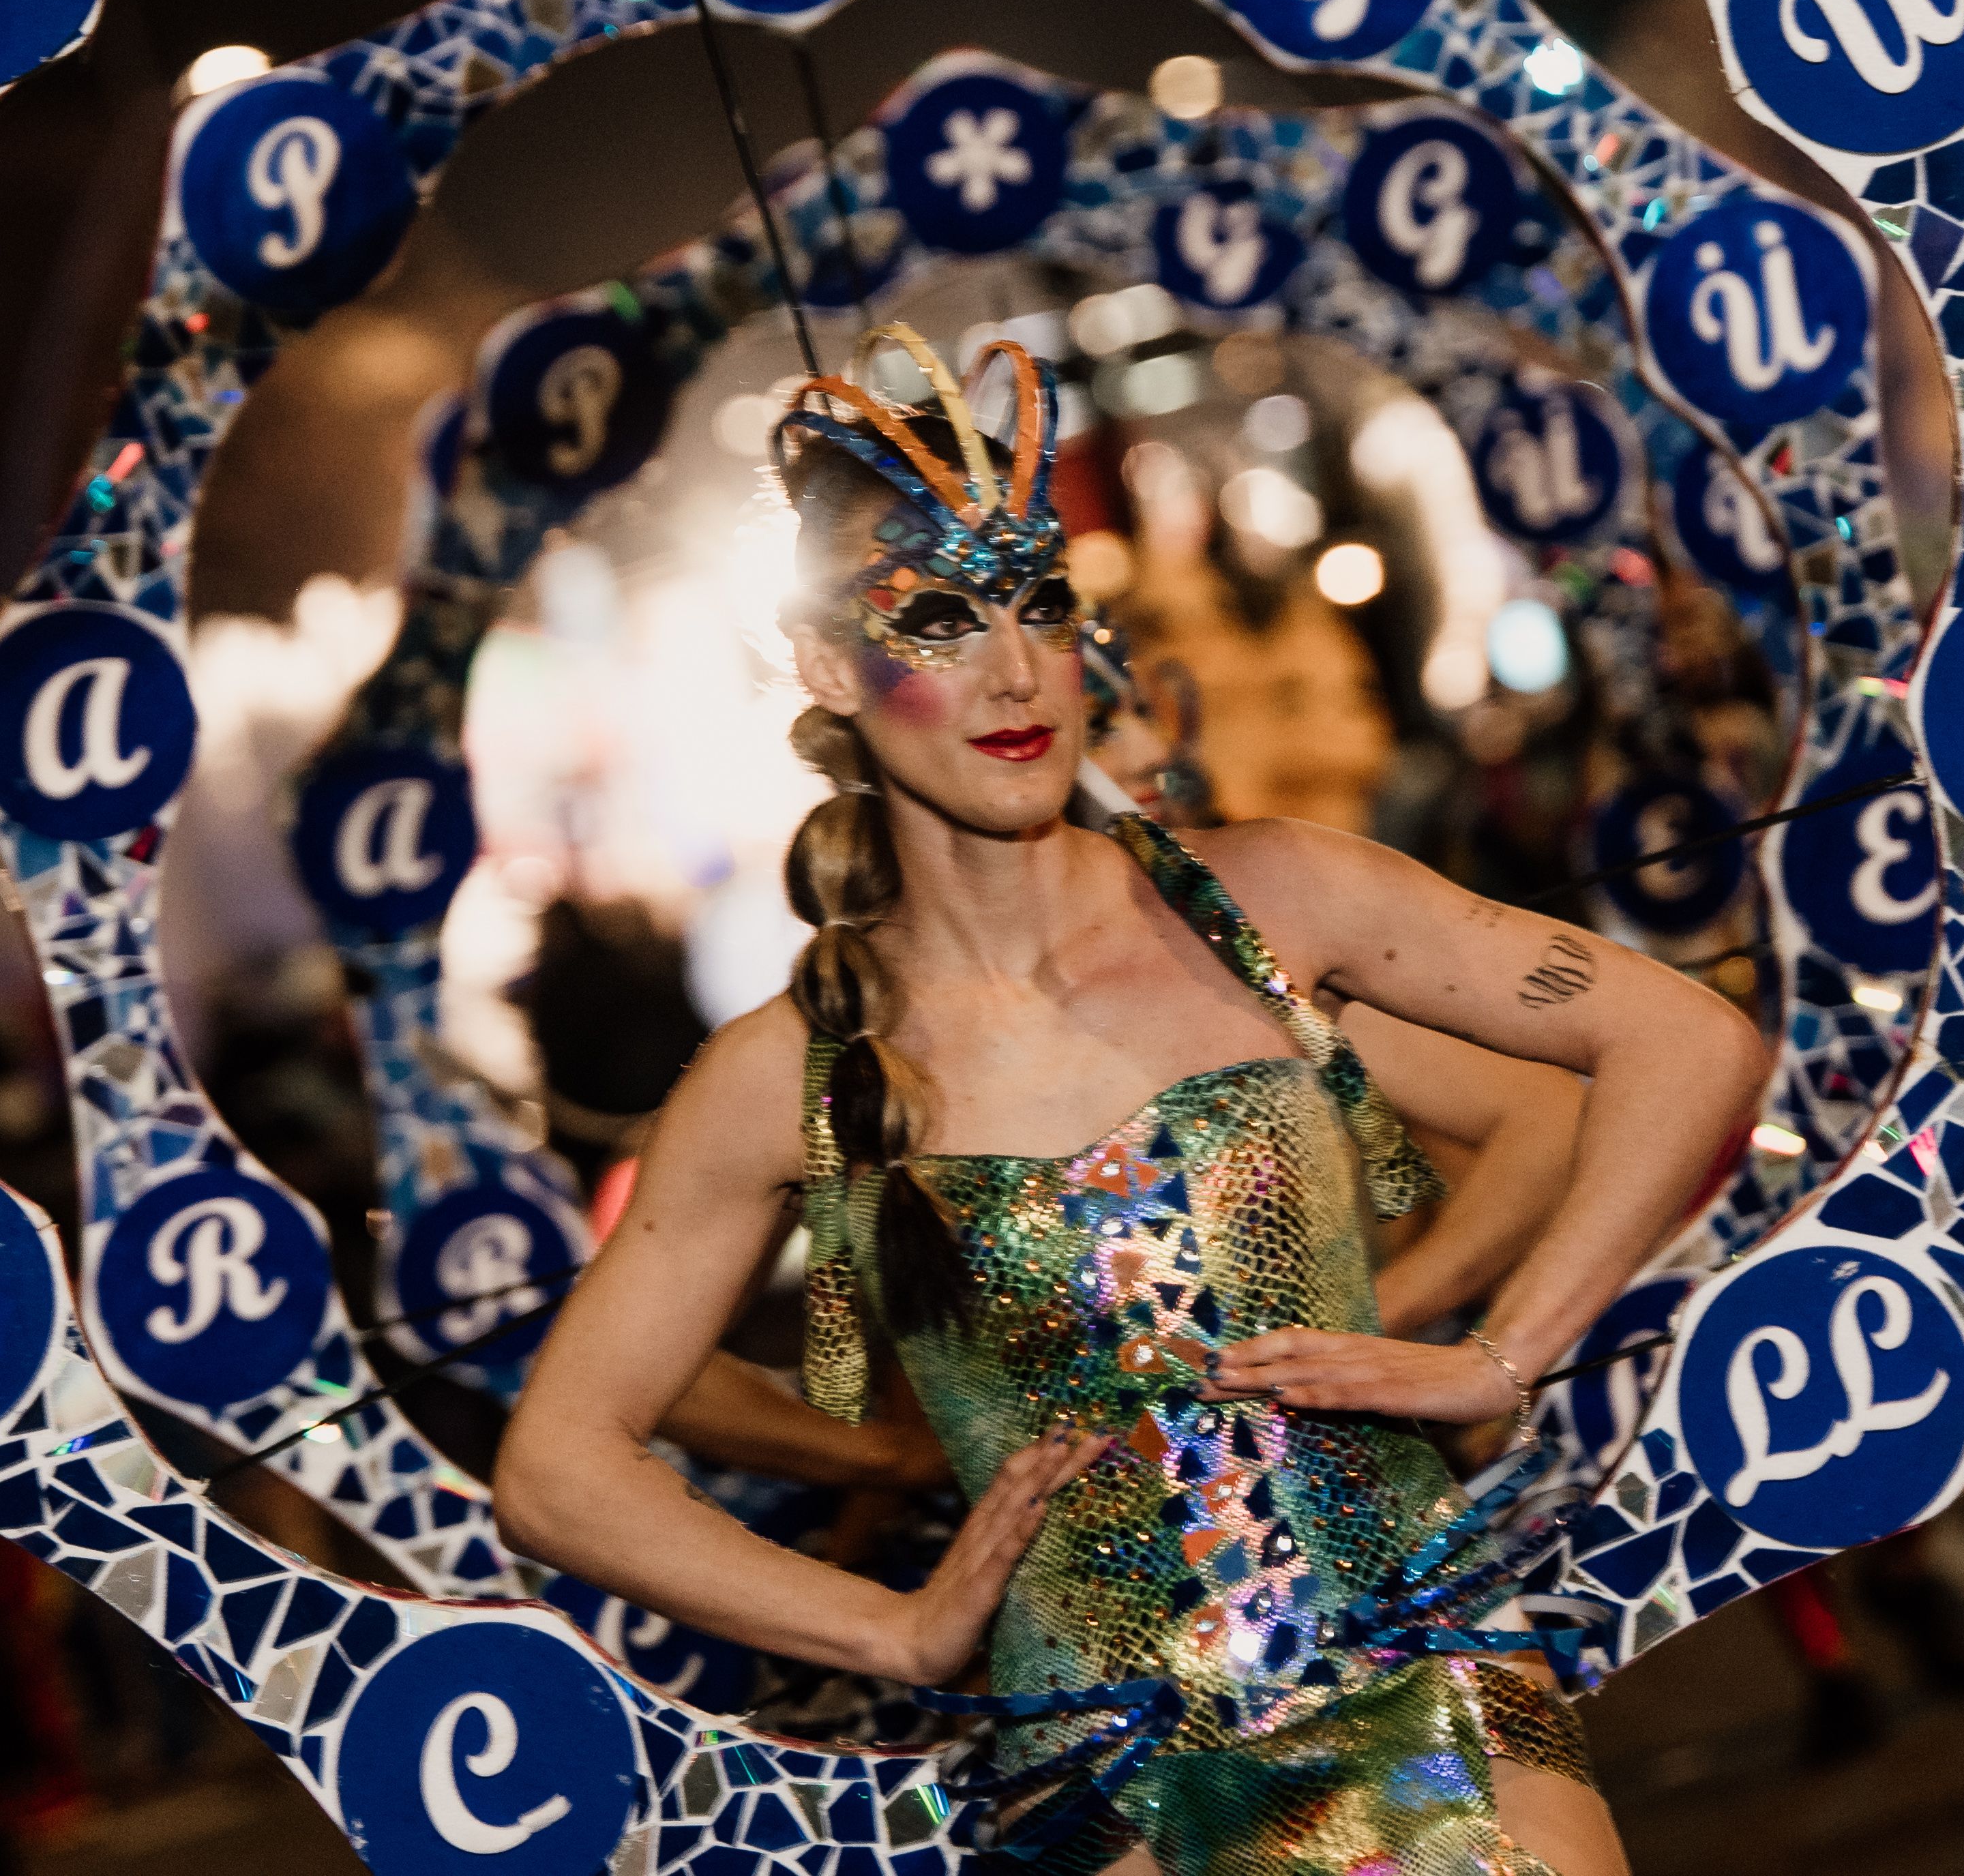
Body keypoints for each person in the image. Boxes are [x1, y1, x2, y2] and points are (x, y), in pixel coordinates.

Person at [499, 331, 1763, 1876]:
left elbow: (1684, 1039)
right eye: (941, 620)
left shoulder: (1277, 898)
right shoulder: (789, 1069)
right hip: (1105, 1766)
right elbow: (562, 1462)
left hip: (1431, 1665)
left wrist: (1493, 1350)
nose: (1015, 669)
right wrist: (894, 1626)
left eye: (1038, 602)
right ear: (834, 668)